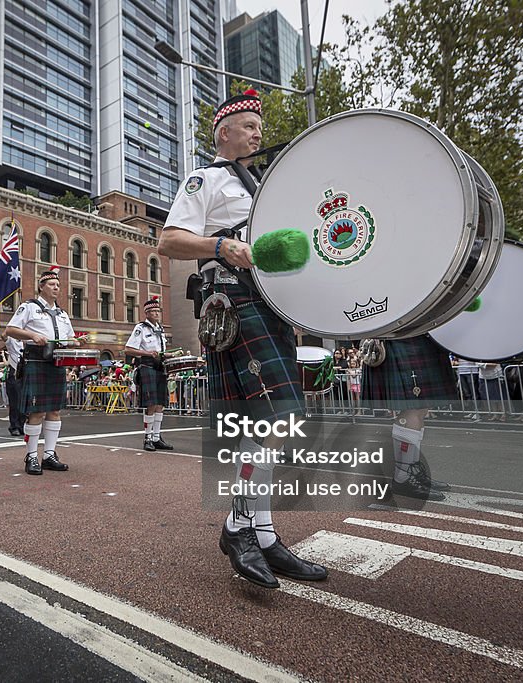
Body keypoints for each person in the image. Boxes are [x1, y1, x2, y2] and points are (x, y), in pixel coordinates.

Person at [157, 89, 327, 589]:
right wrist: (221, 244)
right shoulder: (205, 179)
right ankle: (241, 528)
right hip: (230, 302)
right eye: (250, 125)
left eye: (259, 126)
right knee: (270, 419)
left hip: (268, 303)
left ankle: (262, 533)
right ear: (224, 133)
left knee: (271, 423)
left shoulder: (262, 190)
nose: (258, 134)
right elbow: (168, 240)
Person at [361, 336, 456, 501]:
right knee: (412, 409)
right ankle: (402, 477)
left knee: (420, 410)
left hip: (420, 339)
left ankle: (412, 471)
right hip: (400, 339)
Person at [5, 267, 78, 475]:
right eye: (52, 285)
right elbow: (10, 330)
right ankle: (31, 457)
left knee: (54, 410)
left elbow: (69, 338)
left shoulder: (63, 313)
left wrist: (74, 341)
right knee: (36, 411)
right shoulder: (29, 307)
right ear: (41, 286)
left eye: (58, 285)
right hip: (36, 360)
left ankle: (49, 455)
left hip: (56, 363)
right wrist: (31, 335)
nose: (57, 288)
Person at [125, 297, 174, 451]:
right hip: (147, 366)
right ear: (146, 313)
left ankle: (157, 437)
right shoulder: (141, 328)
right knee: (151, 404)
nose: (156, 313)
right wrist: (147, 353)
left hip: (160, 367)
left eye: (157, 311)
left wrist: (169, 356)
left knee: (160, 403)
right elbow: (128, 349)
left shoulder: (161, 329)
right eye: (152, 311)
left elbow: (161, 351)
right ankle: (147, 438)